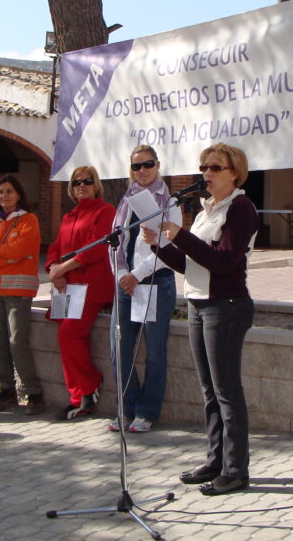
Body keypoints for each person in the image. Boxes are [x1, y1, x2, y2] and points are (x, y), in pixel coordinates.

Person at [142, 142, 258, 496]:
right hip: (198, 302)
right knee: (209, 390)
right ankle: (215, 459)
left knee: (226, 391)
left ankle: (236, 470)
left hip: (227, 305)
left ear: (235, 172)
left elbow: (223, 261)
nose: (206, 173)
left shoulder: (241, 208)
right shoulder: (207, 209)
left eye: (215, 167)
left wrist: (181, 235)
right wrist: (159, 247)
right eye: (204, 167)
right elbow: (192, 263)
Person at [108, 145, 182, 434]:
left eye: (147, 164)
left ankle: (147, 411)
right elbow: (116, 242)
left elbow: (170, 244)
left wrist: (137, 274)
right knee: (120, 350)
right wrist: (124, 274)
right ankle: (126, 408)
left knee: (153, 352)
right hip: (126, 285)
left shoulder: (170, 202)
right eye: (136, 166)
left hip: (155, 283)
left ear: (157, 165)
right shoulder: (126, 200)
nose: (142, 170)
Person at [46, 166, 116, 420]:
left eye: (87, 181)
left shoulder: (105, 211)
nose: (81, 186)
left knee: (69, 334)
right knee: (66, 335)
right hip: (66, 287)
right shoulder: (69, 216)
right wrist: (55, 268)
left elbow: (95, 248)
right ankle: (77, 397)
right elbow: (56, 246)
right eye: (76, 182)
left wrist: (63, 267)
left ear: (96, 184)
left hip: (89, 288)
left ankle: (89, 385)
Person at [0, 174, 44, 415]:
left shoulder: (29, 220)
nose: (4, 196)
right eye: (0, 192)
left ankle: (34, 392)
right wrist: (7, 256)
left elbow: (22, 249)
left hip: (19, 291)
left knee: (17, 343)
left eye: (9, 191)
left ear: (18, 195)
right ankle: (7, 391)